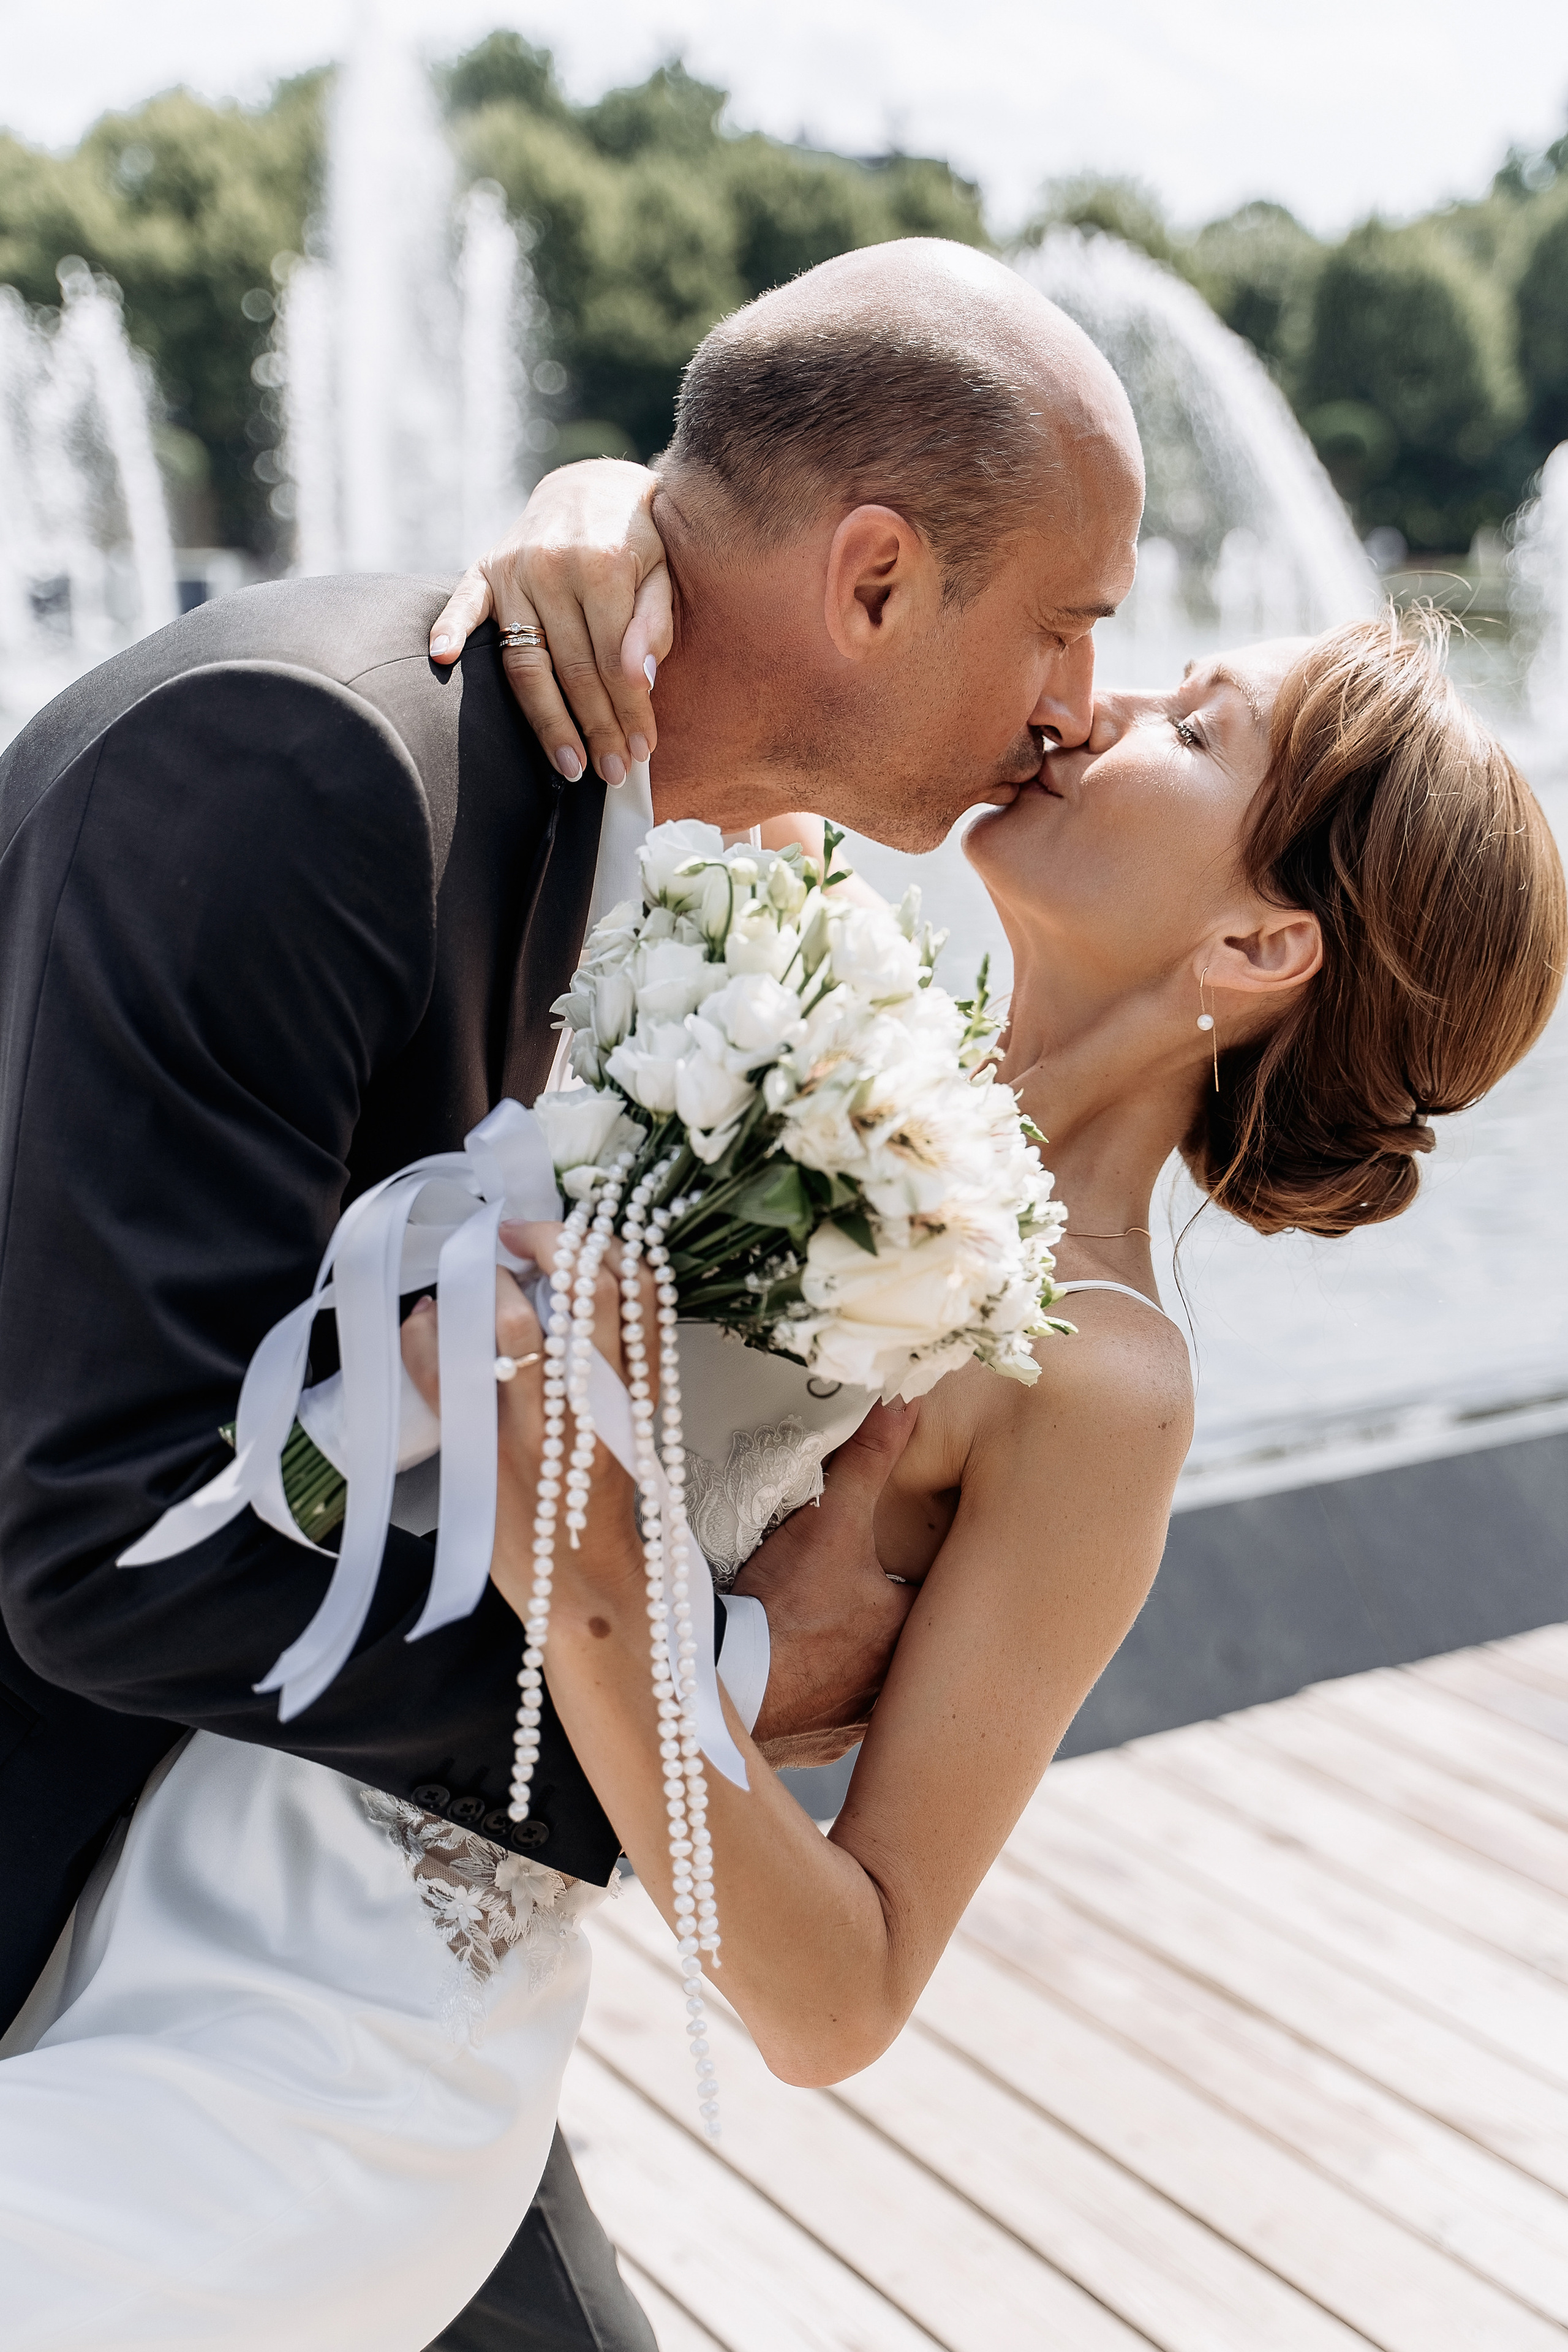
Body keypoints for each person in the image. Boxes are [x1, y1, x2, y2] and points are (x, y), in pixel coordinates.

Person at [0, 239, 1142, 2350]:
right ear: (875, 579)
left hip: (322, 1936)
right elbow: (96, 1542)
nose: (1085, 704)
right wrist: (679, 1695)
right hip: (102, 1927)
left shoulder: (605, 822)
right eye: (1070, 625)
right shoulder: (301, 774)